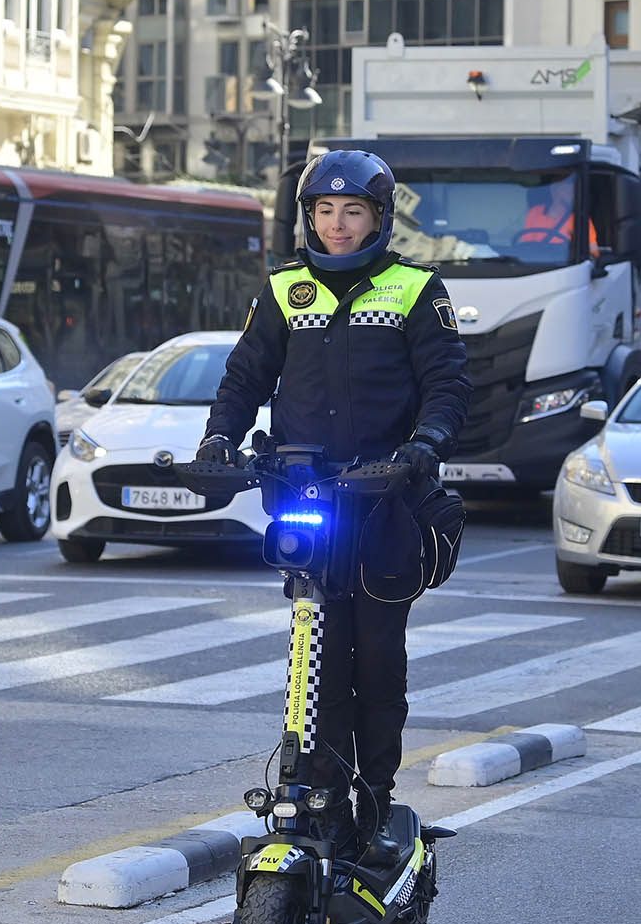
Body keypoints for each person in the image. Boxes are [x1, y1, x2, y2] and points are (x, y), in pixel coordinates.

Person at [198, 149, 471, 859]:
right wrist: (219, 437)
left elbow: (448, 385)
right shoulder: (287, 288)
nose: (339, 225)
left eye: (353, 211)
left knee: (376, 660)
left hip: (384, 506)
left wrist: (425, 444)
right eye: (325, 211)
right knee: (317, 659)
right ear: (309, 217)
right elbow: (244, 375)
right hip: (307, 498)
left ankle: (377, 800)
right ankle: (320, 799)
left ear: (378, 217)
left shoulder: (416, 289)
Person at [516, 178, 598, 250]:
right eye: (566, 191)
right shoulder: (534, 212)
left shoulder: (581, 219)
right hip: (533, 263)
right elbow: (524, 245)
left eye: (572, 191)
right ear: (554, 190)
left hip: (567, 266)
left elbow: (592, 252)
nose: (570, 195)